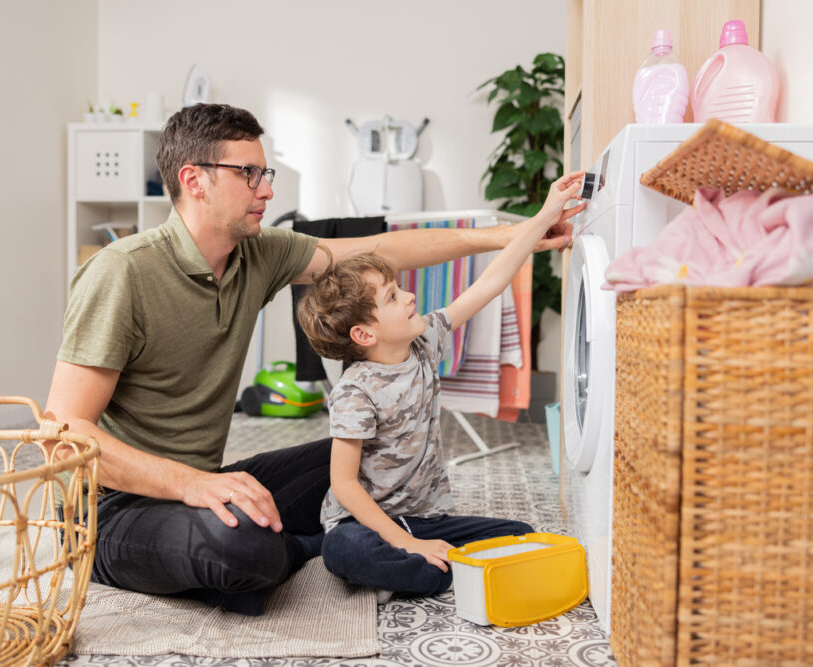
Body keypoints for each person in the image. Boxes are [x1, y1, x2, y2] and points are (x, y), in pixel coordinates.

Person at [44, 102, 585, 615]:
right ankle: (303, 548)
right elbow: (63, 431)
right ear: (194, 180)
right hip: (110, 510)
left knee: (360, 452)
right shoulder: (122, 273)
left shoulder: (257, 253)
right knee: (246, 551)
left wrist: (515, 233)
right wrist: (193, 485)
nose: (268, 188)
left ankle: (303, 541)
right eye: (250, 174)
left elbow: (382, 251)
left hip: (204, 482)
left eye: (266, 172)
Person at [295, 171, 586, 597]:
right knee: (344, 549)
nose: (410, 297)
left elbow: (490, 282)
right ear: (364, 335)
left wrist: (542, 218)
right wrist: (405, 542)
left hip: (426, 518)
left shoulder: (424, 340)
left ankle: (425, 568)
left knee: (518, 533)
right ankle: (419, 564)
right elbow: (344, 485)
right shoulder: (356, 391)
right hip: (363, 524)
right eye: (393, 297)